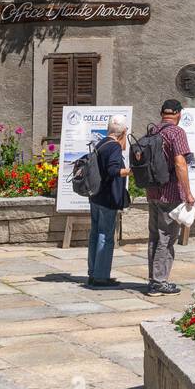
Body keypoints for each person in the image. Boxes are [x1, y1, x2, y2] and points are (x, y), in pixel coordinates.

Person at [146, 99, 195, 296]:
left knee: (154, 237)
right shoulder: (177, 132)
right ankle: (159, 282)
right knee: (166, 238)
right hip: (170, 194)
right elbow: (180, 164)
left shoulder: (153, 131)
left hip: (152, 192)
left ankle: (153, 280)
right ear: (178, 114)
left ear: (161, 113)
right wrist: (188, 193)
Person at [87, 114, 131, 288]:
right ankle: (101, 277)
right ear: (123, 131)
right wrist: (128, 171)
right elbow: (113, 170)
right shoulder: (113, 147)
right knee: (106, 236)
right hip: (107, 198)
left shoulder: (101, 143)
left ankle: (93, 273)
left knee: (95, 234)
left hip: (96, 196)